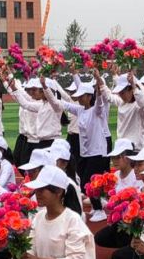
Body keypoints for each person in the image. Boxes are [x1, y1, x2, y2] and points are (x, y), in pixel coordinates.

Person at [44, 73, 110, 222]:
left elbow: (99, 102)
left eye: (82, 96)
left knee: (89, 181)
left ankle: (99, 209)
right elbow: (60, 103)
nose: (79, 98)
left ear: (89, 96)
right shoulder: (80, 110)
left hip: (97, 152)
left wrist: (99, 86)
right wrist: (45, 88)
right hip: (85, 152)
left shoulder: (97, 111)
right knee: (86, 181)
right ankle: (97, 203)